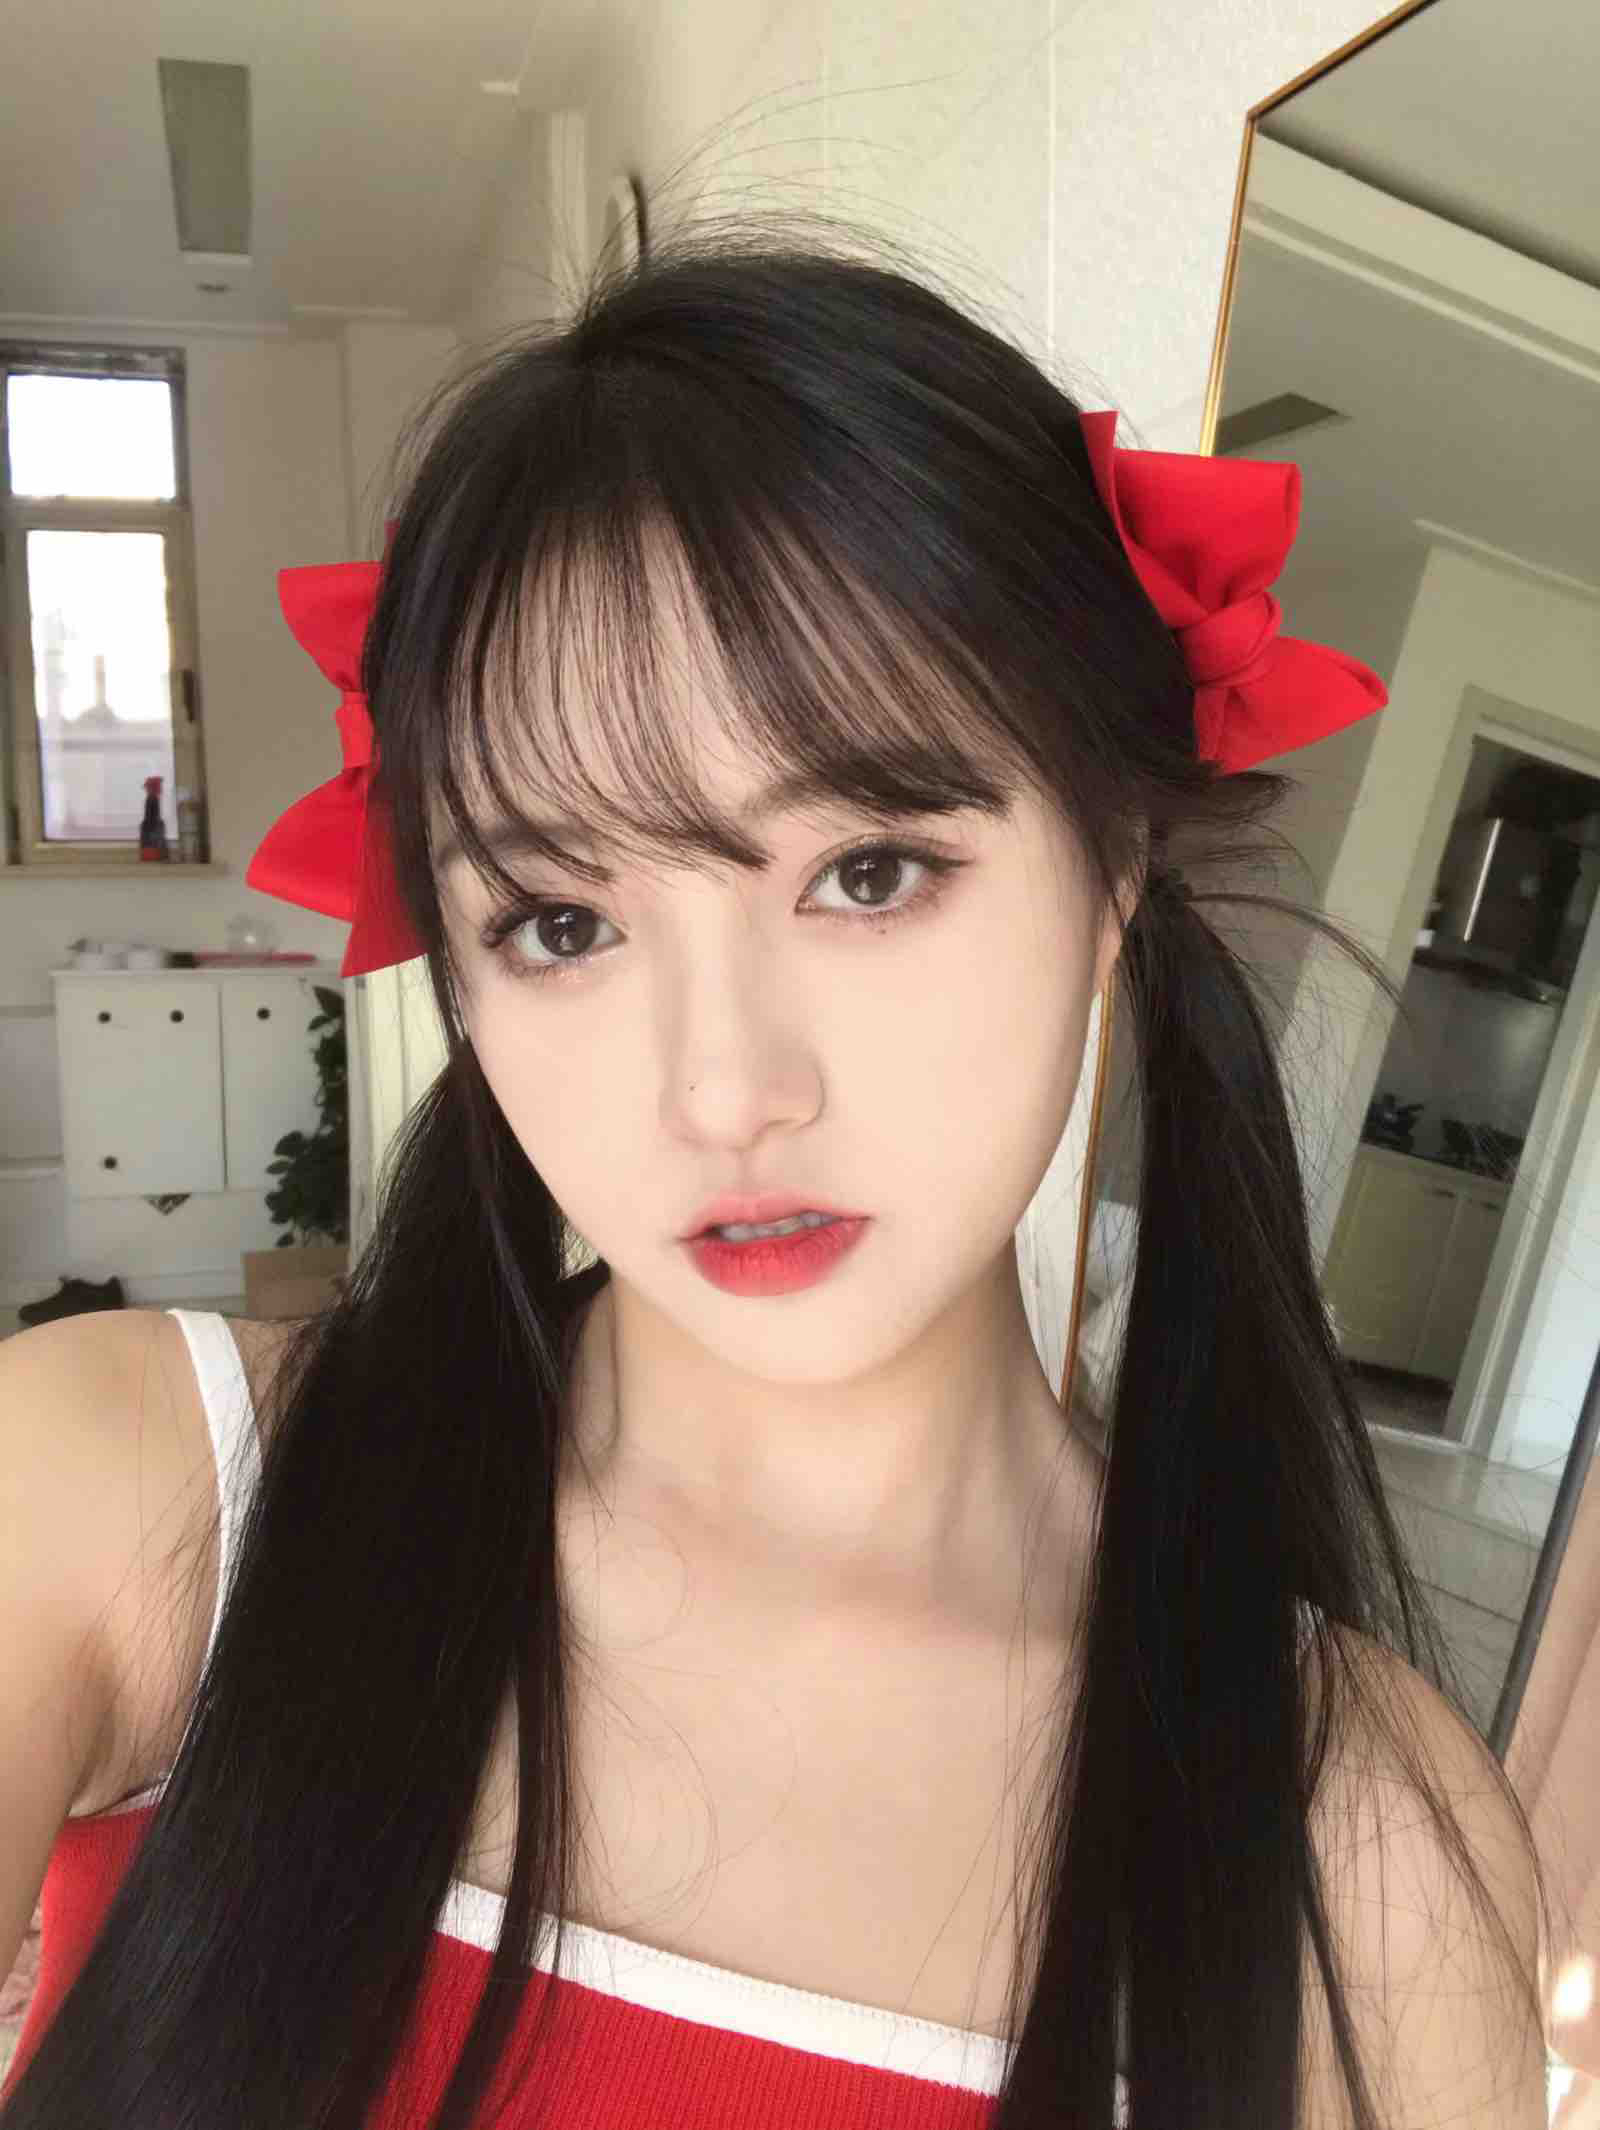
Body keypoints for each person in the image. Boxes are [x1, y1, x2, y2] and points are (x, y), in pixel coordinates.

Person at [0, 211, 1551, 2129]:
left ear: (1114, 867)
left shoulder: (1362, 1853)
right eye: (562, 922)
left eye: (868, 872)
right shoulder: (140, 1497)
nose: (724, 1089)